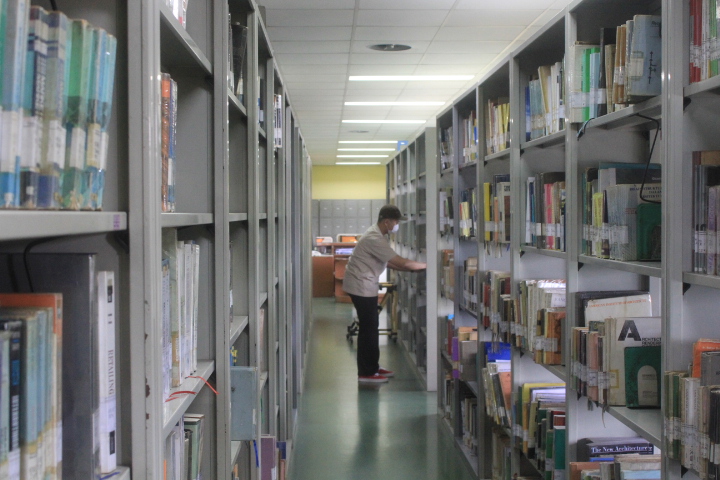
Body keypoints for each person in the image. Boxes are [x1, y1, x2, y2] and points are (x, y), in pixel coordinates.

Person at [343, 205, 427, 383]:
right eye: (396, 221)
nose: (397, 225)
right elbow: (399, 262)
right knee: (369, 329)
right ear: (386, 221)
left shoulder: (377, 234)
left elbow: (389, 263)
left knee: (370, 327)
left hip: (363, 284)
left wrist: (412, 270)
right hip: (361, 286)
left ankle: (373, 366)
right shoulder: (374, 238)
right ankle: (366, 372)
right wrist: (426, 266)